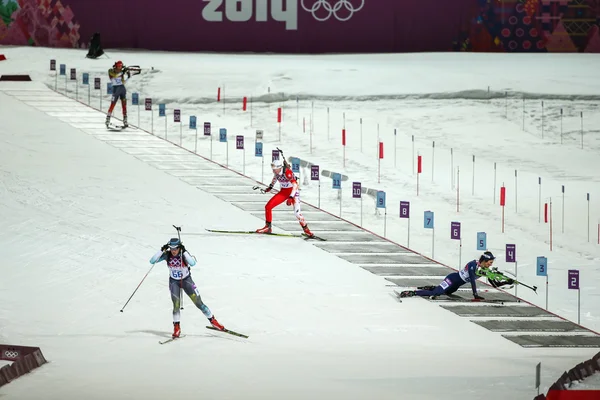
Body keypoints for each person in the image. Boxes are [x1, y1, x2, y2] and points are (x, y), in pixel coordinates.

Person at [149, 237, 224, 338]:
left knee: (199, 303)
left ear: (180, 248)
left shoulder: (183, 255)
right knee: (176, 305)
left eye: (175, 248)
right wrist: (162, 249)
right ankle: (177, 327)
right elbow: (152, 261)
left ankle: (213, 321)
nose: (173, 251)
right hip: (174, 282)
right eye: (171, 248)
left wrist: (184, 252)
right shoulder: (167, 255)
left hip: (186, 281)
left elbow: (192, 263)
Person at [255, 157, 314, 237]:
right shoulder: (276, 171)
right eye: (273, 169)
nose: (273, 170)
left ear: (279, 168)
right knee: (268, 206)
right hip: (283, 192)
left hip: (293, 192)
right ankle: (268, 227)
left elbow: (295, 185)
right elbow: (275, 177)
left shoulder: (287, 173)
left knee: (297, 213)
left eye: (274, 169)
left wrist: (290, 197)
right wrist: (270, 187)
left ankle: (307, 230)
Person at [400, 251, 496, 300]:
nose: (490, 264)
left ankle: (433, 288)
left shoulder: (484, 269)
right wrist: (475, 295)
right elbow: (472, 280)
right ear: (484, 260)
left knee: (445, 292)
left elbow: (491, 278)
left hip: (455, 286)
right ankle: (413, 293)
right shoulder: (473, 265)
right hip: (452, 279)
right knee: (435, 293)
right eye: (490, 262)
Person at [105, 60, 130, 128]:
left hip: (122, 89)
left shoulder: (121, 73)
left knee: (124, 104)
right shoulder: (111, 71)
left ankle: (125, 119)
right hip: (116, 89)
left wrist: (128, 77)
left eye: (121, 66)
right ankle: (108, 118)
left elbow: (123, 82)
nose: (120, 67)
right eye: (119, 66)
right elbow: (115, 75)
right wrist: (122, 72)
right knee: (112, 104)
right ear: (116, 66)